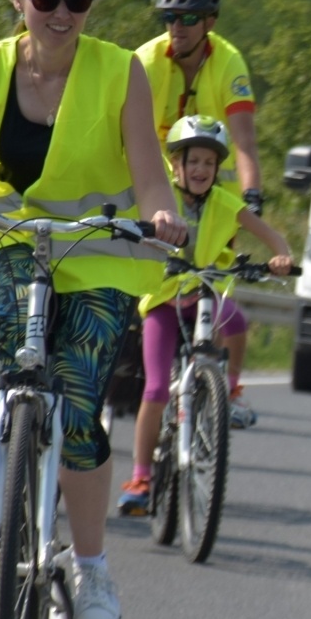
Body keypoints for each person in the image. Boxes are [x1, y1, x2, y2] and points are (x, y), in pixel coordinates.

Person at [0, 0, 188, 619]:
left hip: (98, 249)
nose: (61, 11)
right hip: (8, 238)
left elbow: (148, 166)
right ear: (20, 2)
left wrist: (161, 212)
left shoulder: (120, 69)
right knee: (7, 332)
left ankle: (91, 564)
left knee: (80, 399)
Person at [116, 116, 292, 515]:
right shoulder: (162, 202)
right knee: (157, 390)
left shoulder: (226, 203)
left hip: (204, 296)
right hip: (164, 302)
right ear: (175, 166)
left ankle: (227, 390)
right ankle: (141, 475)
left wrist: (282, 255)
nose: (200, 170)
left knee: (238, 322)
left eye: (209, 164)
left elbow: (271, 235)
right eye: (192, 161)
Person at [135, 0, 263, 212]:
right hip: (160, 194)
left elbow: (244, 141)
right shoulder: (145, 60)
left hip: (218, 198)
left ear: (209, 23)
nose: (177, 27)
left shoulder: (229, 62)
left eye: (189, 18)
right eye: (170, 17)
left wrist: (252, 194)